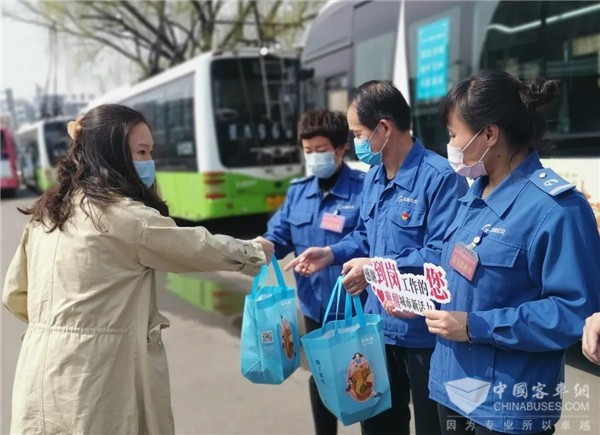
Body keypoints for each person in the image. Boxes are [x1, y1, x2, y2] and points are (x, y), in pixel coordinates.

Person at [2, 104, 274, 435]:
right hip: (97, 377)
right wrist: (252, 251)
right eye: (142, 152)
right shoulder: (125, 217)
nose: (149, 161)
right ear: (111, 154)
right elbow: (197, 248)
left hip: (38, 371)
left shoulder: (46, 214)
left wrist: (59, 327)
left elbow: (14, 294)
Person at [421, 70, 600, 434]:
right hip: (451, 385)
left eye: (454, 134)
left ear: (489, 134)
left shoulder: (557, 209)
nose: (450, 144)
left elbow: (573, 311)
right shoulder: (472, 195)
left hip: (507, 406)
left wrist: (475, 326)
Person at [286, 81, 468, 435]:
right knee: (379, 425)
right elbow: (366, 237)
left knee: (432, 427)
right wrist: (331, 253)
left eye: (357, 133)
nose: (355, 142)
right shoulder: (373, 177)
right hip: (377, 331)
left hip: (425, 336)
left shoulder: (439, 178)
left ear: (383, 128)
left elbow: (443, 254)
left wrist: (377, 269)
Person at [264, 108, 365, 435]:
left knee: (364, 377)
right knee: (321, 377)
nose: (313, 157)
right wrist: (256, 248)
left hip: (355, 308)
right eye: (308, 151)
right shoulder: (299, 192)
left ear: (340, 149)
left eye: (320, 150)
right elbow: (278, 236)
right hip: (314, 308)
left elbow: (371, 241)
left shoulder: (364, 189)